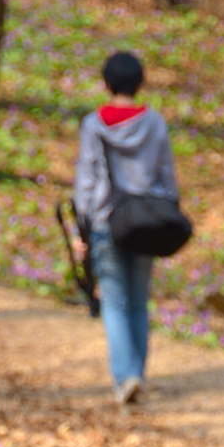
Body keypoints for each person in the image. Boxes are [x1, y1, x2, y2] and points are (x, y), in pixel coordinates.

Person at [73, 51, 179, 404]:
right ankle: (137, 375)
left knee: (114, 303)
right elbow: (167, 179)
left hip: (105, 222)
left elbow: (86, 181)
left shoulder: (93, 125)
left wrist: (81, 229)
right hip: (147, 223)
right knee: (137, 303)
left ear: (106, 82)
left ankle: (126, 377)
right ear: (140, 82)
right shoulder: (156, 124)